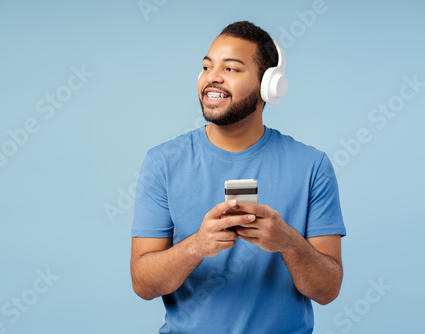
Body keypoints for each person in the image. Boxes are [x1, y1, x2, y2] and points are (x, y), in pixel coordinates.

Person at [130, 21, 346, 334]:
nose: (212, 77)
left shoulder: (312, 166)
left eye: (231, 69)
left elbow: (327, 291)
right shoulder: (162, 162)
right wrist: (197, 246)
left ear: (269, 84)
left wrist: (287, 242)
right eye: (207, 66)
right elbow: (143, 285)